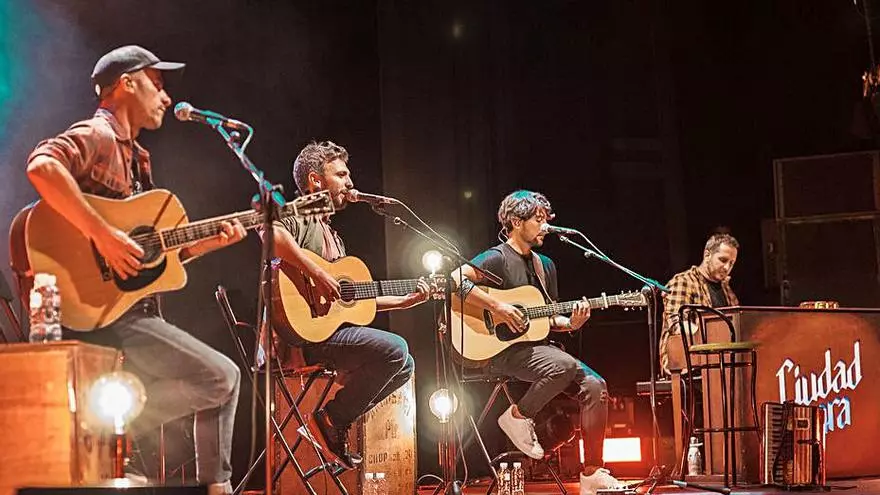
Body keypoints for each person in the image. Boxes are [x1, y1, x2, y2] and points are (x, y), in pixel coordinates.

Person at [24, 45, 244, 495]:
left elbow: (147, 260)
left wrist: (206, 244)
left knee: (218, 379)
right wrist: (103, 234)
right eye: (157, 84)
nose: (166, 97)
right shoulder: (98, 134)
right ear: (127, 83)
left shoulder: (138, 159)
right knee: (221, 377)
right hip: (105, 315)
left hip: (125, 309)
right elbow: (43, 167)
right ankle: (110, 433)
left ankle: (101, 429)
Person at [266, 140, 428, 468]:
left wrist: (401, 303)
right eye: (340, 174)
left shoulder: (332, 235)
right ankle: (331, 419)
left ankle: (332, 422)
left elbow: (348, 302)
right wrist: (317, 272)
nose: (350, 182)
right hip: (301, 339)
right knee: (395, 349)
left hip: (326, 333)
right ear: (315, 181)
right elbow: (270, 234)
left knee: (405, 365)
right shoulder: (301, 213)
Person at [450, 190, 623, 495]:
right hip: (498, 349)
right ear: (516, 222)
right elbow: (453, 281)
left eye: (546, 219)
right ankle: (518, 416)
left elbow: (547, 316)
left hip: (536, 349)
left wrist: (571, 323)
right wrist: (498, 307)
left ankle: (592, 473)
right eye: (538, 219)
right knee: (563, 365)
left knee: (596, 386)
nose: (545, 226)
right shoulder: (496, 258)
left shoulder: (546, 265)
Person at [659, 233, 740, 375]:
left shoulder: (727, 290)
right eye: (723, 260)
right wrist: (711, 335)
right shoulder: (684, 281)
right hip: (687, 365)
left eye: (731, 263)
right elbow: (676, 324)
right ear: (707, 255)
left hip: (722, 363)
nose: (727, 267)